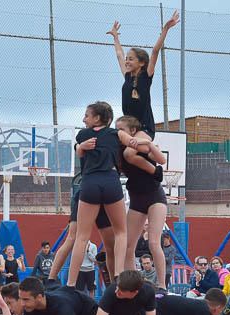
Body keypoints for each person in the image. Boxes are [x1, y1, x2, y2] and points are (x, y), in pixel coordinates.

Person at [68, 102, 159, 287]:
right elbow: (133, 142)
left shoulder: (83, 135)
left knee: (82, 236)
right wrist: (148, 143)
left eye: (87, 115)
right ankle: (117, 274)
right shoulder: (115, 134)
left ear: (97, 118)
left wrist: (81, 147)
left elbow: (79, 149)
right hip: (111, 181)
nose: (84, 119)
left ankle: (70, 283)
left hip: (90, 182)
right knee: (121, 232)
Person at [116, 116, 169, 292]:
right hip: (136, 197)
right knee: (128, 244)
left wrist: (150, 144)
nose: (118, 132)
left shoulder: (142, 143)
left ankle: (162, 285)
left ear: (132, 131)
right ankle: (133, 282)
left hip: (155, 196)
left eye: (121, 129)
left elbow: (161, 159)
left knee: (154, 242)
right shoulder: (119, 149)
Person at [107, 11, 179, 138]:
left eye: (131, 59)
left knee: (130, 151)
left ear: (141, 63)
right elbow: (119, 55)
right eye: (127, 58)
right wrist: (115, 37)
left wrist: (166, 28)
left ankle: (155, 155)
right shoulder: (128, 76)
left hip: (144, 126)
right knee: (120, 150)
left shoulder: (146, 76)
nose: (127, 61)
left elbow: (155, 51)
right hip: (128, 125)